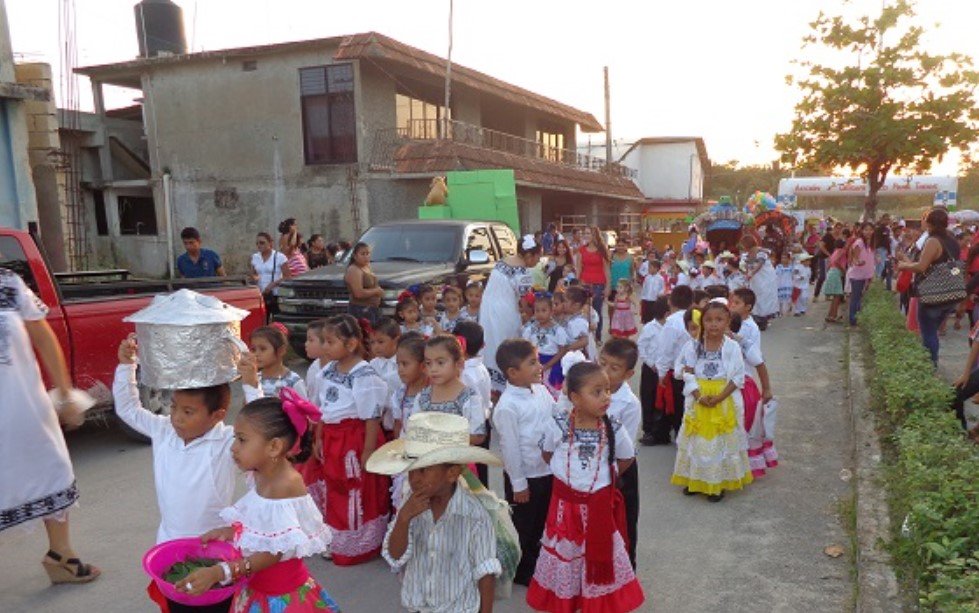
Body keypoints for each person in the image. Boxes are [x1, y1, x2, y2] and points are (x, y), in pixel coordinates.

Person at [176, 395, 340, 612]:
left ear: (273, 447)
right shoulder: (261, 473)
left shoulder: (284, 485)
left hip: (281, 597)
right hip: (256, 586)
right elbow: (263, 524)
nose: (233, 448)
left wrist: (221, 572)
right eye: (235, 438)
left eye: (242, 440)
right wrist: (231, 530)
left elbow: (274, 552)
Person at [115, 336, 235, 611]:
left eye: (188, 411)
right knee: (176, 602)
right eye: (173, 407)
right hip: (169, 544)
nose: (177, 417)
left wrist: (253, 385)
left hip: (214, 551)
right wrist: (126, 366)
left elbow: (260, 435)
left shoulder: (228, 441)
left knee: (214, 605)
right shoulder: (163, 431)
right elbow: (128, 409)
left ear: (217, 415)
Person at [0, 269, 98, 585]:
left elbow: (42, 335)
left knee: (52, 470)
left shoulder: (7, 283)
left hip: (23, 407)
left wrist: (65, 393)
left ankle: (61, 556)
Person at [526, 362, 645, 613]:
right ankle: (569, 601)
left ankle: (595, 603)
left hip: (598, 510)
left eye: (607, 391)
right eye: (597, 392)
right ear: (575, 398)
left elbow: (626, 458)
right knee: (568, 555)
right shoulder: (558, 425)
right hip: (564, 508)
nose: (605, 398)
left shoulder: (612, 427)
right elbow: (548, 454)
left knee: (599, 555)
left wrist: (602, 482)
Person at [369, 412, 502, 613]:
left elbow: (485, 571)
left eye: (424, 470)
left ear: (452, 473)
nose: (415, 479)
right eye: (411, 470)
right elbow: (395, 556)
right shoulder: (410, 503)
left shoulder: (474, 515)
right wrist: (403, 519)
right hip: (416, 607)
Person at [301, 315, 390, 565]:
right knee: (333, 488)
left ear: (350, 345)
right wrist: (318, 437)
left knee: (354, 490)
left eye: (330, 342)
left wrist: (368, 451)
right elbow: (322, 409)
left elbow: (371, 416)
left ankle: (357, 545)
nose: (325, 347)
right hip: (331, 437)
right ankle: (336, 538)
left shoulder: (363, 374)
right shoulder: (327, 370)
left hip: (354, 440)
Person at [671, 300, 753, 501]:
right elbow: (682, 371)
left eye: (719, 320)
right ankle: (694, 480)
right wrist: (698, 395)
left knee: (719, 442)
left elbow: (738, 377)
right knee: (696, 441)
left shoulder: (732, 347)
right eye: (708, 320)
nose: (714, 324)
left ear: (728, 322)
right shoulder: (693, 345)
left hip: (723, 399)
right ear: (702, 323)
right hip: (698, 397)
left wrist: (718, 397)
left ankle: (717, 484)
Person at [493, 338, 555, 586]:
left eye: (537, 360)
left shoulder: (540, 390)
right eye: (532, 362)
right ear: (512, 373)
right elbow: (510, 449)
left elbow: (554, 418)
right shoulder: (507, 406)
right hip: (525, 476)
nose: (539, 366)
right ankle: (521, 569)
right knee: (523, 523)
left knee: (542, 518)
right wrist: (518, 484)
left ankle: (537, 558)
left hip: (546, 470)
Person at [897, 207, 963, 365]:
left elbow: (921, 267)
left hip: (932, 294)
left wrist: (904, 265)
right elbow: (953, 266)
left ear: (929, 223)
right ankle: (930, 363)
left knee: (928, 333)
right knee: (933, 332)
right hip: (949, 293)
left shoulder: (933, 241)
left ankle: (930, 366)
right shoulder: (952, 241)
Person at [599, 338, 642, 569]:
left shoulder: (629, 404)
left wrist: (610, 479)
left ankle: (626, 570)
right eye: (602, 362)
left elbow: (627, 453)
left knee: (623, 523)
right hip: (591, 470)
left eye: (614, 368)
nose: (605, 371)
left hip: (619, 471)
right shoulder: (588, 389)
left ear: (628, 374)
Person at [482, 234, 541, 393]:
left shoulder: (502, 262)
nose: (538, 261)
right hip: (505, 312)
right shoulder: (522, 273)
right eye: (537, 257)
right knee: (506, 344)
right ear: (529, 255)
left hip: (487, 308)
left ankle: (491, 384)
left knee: (490, 341)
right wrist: (532, 319)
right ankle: (506, 384)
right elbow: (525, 303)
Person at [729, 289, 776, 475]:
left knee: (743, 424)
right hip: (724, 383)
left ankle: (743, 463)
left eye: (737, 303)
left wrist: (766, 388)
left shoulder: (746, 331)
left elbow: (758, 360)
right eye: (731, 302)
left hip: (742, 381)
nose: (732, 305)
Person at [413, 335, 487, 445]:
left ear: (459, 364)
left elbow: (477, 436)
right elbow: (413, 429)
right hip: (426, 459)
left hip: (458, 460)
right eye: (428, 363)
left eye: (440, 363)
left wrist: (443, 437)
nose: (433, 369)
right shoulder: (422, 397)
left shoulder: (469, 398)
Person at [651, 285, 695, 443]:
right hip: (695, 370)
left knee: (679, 407)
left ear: (670, 302)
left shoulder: (671, 322)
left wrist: (661, 374)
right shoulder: (696, 318)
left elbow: (665, 351)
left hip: (678, 373)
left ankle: (681, 438)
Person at [240, 324, 307, 401]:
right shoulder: (255, 378)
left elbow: (304, 408)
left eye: (263, 349)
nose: (256, 354)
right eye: (253, 349)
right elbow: (247, 407)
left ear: (280, 351)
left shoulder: (293, 381)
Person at [522, 292, 569, 397]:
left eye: (544, 310)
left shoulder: (558, 330)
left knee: (550, 391)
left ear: (551, 311)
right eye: (537, 311)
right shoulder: (530, 329)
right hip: (535, 362)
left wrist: (548, 365)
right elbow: (526, 345)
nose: (540, 314)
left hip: (552, 363)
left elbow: (562, 350)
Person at [637, 296, 670, 446]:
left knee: (664, 400)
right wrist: (651, 364)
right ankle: (649, 431)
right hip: (651, 369)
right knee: (649, 399)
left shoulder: (672, 327)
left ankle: (663, 431)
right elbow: (641, 348)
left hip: (665, 370)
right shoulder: (650, 328)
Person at [574, 226, 612, 339]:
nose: (586, 236)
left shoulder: (602, 250)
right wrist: (577, 284)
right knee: (584, 310)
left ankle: (598, 336)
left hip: (599, 284)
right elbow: (578, 268)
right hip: (584, 283)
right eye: (584, 233)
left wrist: (608, 286)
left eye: (588, 233)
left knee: (597, 310)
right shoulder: (581, 250)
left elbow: (606, 269)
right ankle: (585, 335)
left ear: (595, 235)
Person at [369, 318, 403, 437]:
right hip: (381, 423)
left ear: (396, 340)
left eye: (380, 342)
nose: (376, 347)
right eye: (372, 342)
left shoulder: (404, 363)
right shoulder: (372, 365)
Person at [344, 242, 384, 325]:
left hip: (372, 309)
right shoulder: (354, 270)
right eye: (363, 254)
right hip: (360, 309)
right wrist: (376, 291)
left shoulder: (367, 266)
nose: (366, 257)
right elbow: (358, 293)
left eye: (368, 253)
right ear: (355, 256)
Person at [847, 222, 876, 327]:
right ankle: (853, 320)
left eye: (870, 230)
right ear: (862, 231)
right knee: (855, 298)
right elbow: (855, 258)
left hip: (866, 275)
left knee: (860, 298)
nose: (868, 232)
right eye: (866, 230)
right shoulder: (859, 242)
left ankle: (858, 318)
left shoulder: (871, 243)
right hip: (857, 275)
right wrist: (858, 262)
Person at [250, 232, 285, 317]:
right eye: (257, 243)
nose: (259, 245)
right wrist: (254, 278)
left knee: (276, 318)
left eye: (262, 243)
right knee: (262, 319)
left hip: (275, 294)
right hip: (260, 294)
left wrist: (273, 284)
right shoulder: (255, 257)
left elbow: (288, 276)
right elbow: (253, 273)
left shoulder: (279, 257)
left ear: (270, 243)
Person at [561, 285, 597, 361]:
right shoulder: (571, 317)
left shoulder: (579, 321)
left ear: (576, 305)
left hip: (576, 356)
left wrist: (567, 349)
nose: (563, 303)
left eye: (565, 301)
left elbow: (584, 341)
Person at [608, 242, 635, 321]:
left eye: (622, 245)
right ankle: (612, 324)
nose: (620, 247)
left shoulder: (630, 258)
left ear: (626, 246)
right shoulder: (611, 257)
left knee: (624, 307)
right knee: (612, 307)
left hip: (625, 287)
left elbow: (632, 271)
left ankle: (623, 325)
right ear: (616, 246)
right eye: (619, 245)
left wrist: (631, 284)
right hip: (613, 285)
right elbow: (607, 270)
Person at [640, 258, 665, 324]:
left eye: (650, 267)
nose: (648, 269)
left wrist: (660, 294)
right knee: (646, 317)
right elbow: (644, 287)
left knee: (653, 317)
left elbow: (662, 288)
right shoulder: (647, 277)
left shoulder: (660, 278)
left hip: (655, 300)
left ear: (656, 268)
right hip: (646, 299)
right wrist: (642, 298)